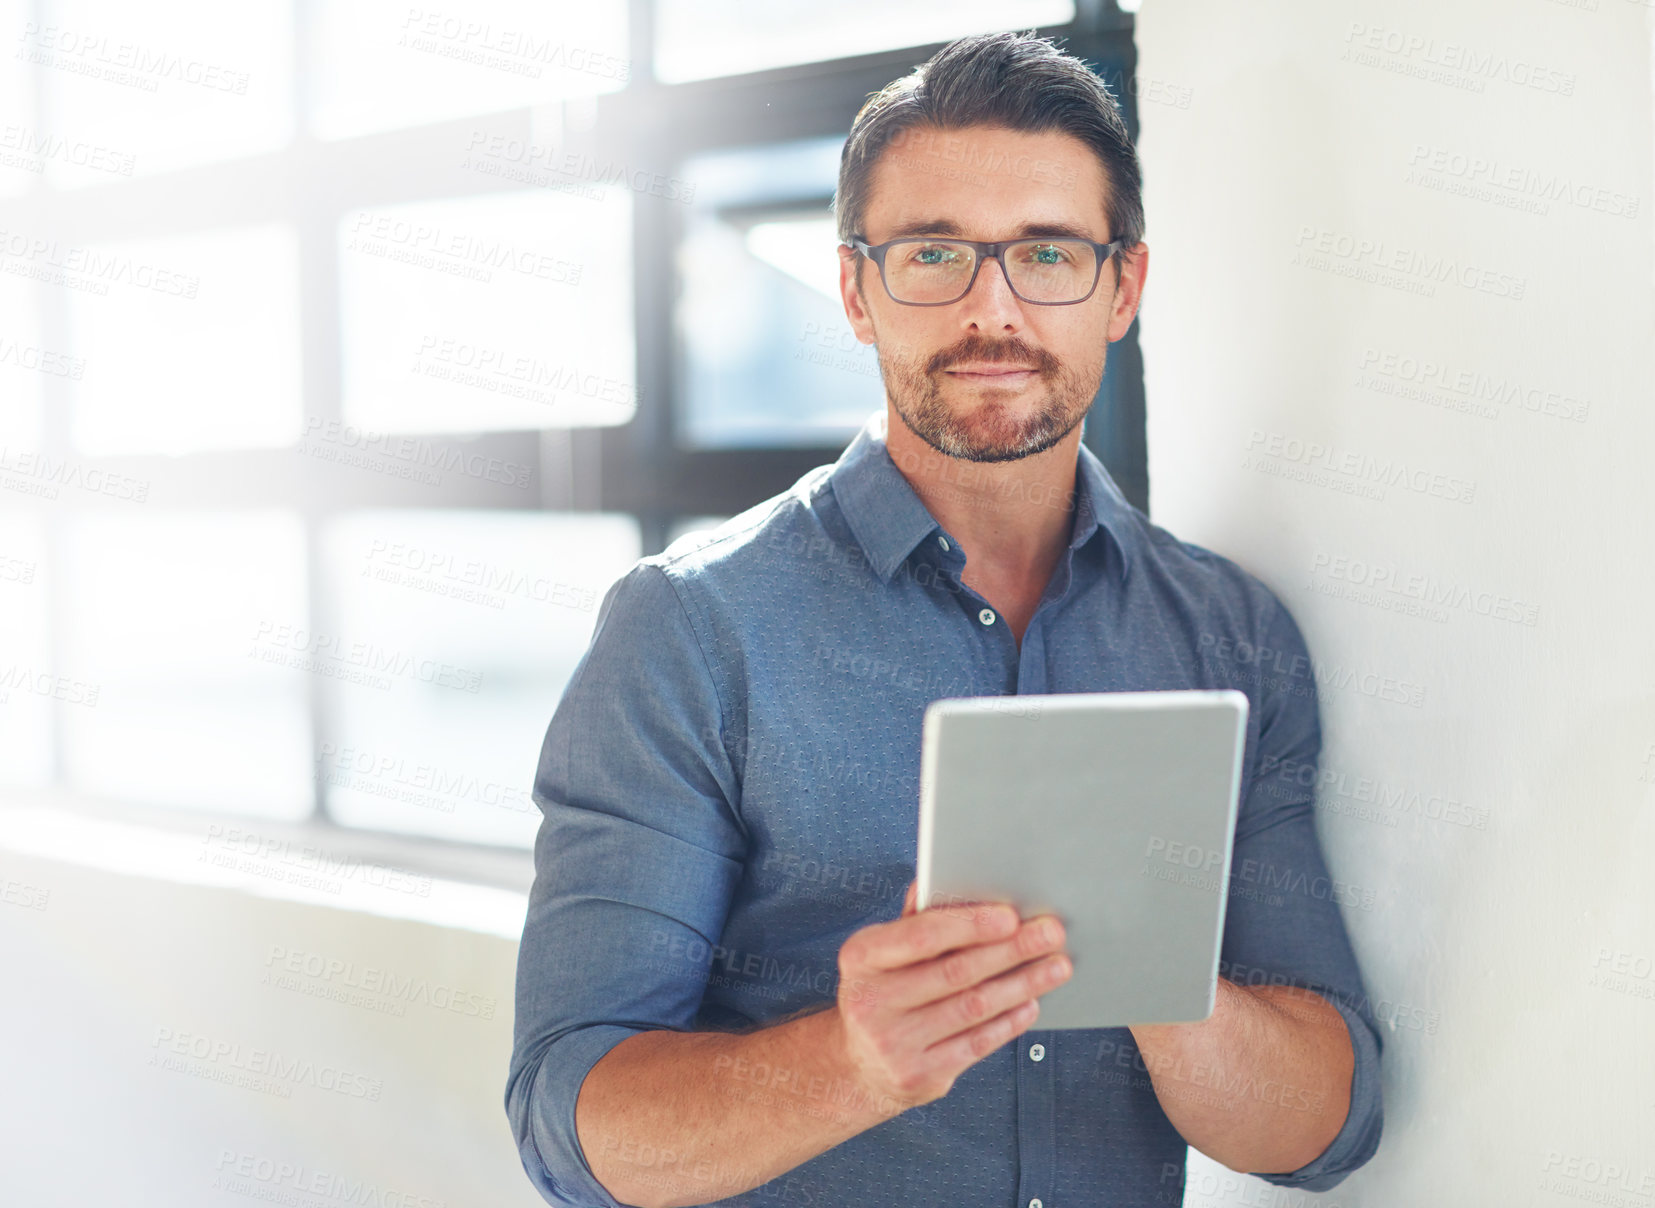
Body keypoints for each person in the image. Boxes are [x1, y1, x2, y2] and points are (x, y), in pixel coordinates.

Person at [506, 29, 1383, 1208]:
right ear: (857, 290)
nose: (992, 308)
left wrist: (1156, 972)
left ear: (1121, 287)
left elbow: (1323, 1125)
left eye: (1046, 253)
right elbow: (573, 1121)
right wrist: (854, 1063)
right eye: (932, 254)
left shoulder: (1230, 635)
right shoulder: (689, 630)